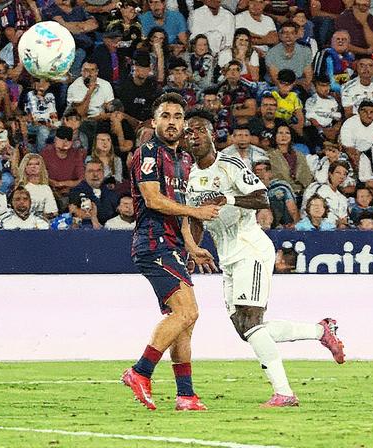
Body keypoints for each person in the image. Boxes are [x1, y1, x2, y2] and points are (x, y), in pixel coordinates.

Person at [184, 111, 345, 407]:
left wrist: (228, 199)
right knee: (245, 327)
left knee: (251, 321)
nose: (193, 136)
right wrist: (192, 248)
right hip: (227, 255)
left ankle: (284, 392)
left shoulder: (230, 164)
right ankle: (320, 330)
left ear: (211, 135)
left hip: (250, 246)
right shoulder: (192, 177)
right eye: (188, 133)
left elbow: (261, 198)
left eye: (198, 130)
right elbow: (196, 216)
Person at [120, 92, 221, 412]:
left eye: (178, 117)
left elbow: (177, 212)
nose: (173, 122)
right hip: (153, 243)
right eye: (166, 116)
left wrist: (192, 245)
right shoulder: (147, 152)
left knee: (184, 322)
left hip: (173, 245)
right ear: (154, 122)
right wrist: (196, 212)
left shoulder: (185, 160)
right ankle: (140, 371)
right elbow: (152, 200)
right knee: (187, 312)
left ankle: (186, 395)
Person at [69, 159, 120, 224]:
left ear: (103, 173)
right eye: (90, 171)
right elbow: (75, 214)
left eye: (99, 170)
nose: (95, 174)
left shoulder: (111, 192)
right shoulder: (76, 192)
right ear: (84, 174)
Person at [16, 153, 59, 220]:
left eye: (37, 164)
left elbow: (52, 211)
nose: (33, 166)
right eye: (30, 164)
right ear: (25, 167)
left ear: (41, 167)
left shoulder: (46, 188)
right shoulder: (20, 187)